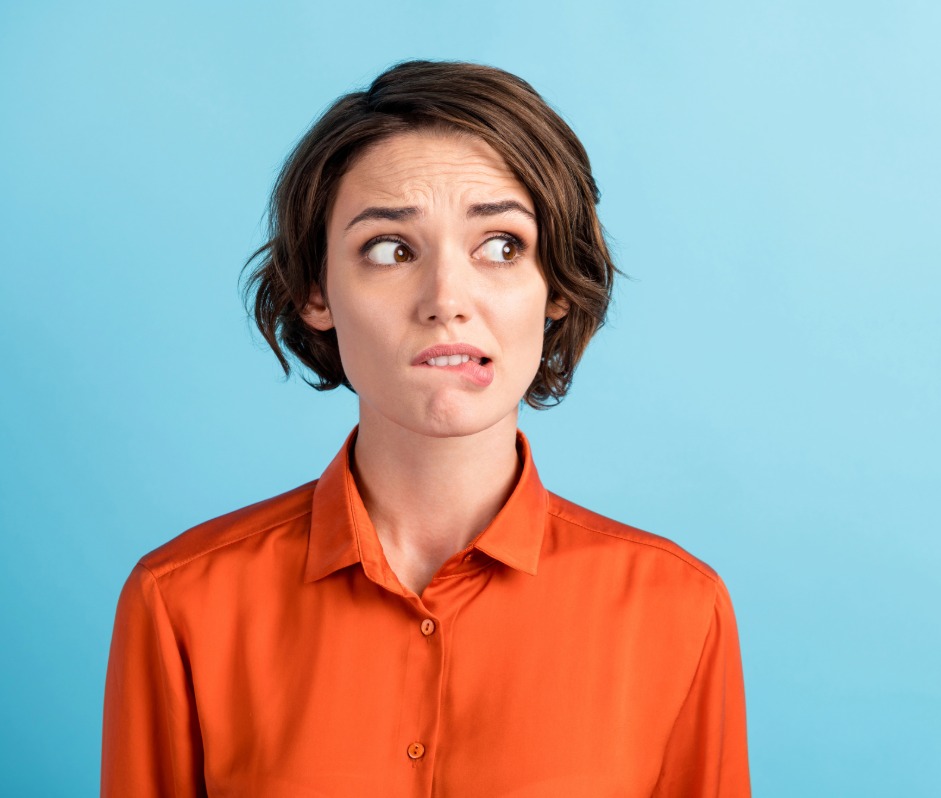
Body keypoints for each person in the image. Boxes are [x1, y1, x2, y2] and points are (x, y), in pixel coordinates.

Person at [101, 59, 751, 797]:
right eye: (390, 249)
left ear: (556, 288)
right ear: (317, 292)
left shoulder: (677, 608)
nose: (447, 298)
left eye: (502, 246)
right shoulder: (181, 601)